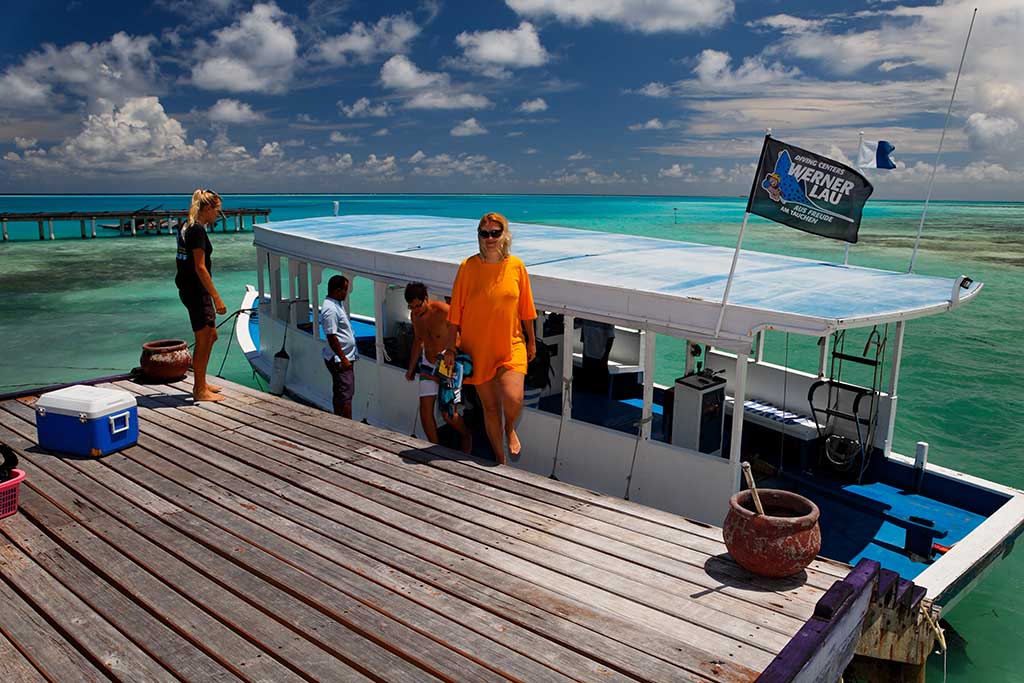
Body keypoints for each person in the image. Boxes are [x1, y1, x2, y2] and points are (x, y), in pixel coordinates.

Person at [444, 212, 537, 464]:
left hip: (511, 342)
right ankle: (500, 458)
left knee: (513, 396)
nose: (490, 238)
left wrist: (531, 340)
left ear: (504, 235)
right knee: (491, 408)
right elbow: (455, 313)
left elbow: (526, 309)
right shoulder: (468, 267)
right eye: (485, 234)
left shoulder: (517, 266)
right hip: (479, 348)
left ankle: (510, 429)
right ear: (479, 237)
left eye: (495, 232)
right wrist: (450, 348)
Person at [404, 282, 471, 452]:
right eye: (411, 307)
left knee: (448, 414)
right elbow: (418, 341)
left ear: (426, 299)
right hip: (428, 363)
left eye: (418, 306)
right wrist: (411, 368)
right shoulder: (414, 316)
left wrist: (454, 353)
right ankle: (436, 449)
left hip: (448, 365)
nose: (416, 310)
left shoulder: (444, 311)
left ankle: (466, 435)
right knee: (425, 410)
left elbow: (464, 333)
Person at [175, 189, 227, 402]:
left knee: (211, 335)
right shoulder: (197, 231)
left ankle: (201, 381)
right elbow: (200, 267)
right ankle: (199, 390)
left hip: (189, 288)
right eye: (217, 211)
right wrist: (217, 297)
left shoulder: (186, 226)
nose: (218, 216)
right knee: (204, 338)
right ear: (207, 208)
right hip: (197, 291)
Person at [320, 275, 358, 418]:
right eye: (345, 289)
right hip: (340, 359)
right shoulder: (330, 309)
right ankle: (347, 425)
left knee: (341, 392)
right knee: (345, 394)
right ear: (337, 290)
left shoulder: (336, 304)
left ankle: (339, 420)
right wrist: (343, 358)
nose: (346, 293)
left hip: (342, 357)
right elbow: (331, 336)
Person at [577, 319, 615, 395]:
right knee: (587, 386)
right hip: (587, 355)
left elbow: (611, 338)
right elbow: (578, 327)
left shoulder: (606, 319)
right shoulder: (585, 316)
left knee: (600, 387)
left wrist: (605, 357)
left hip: (600, 357)